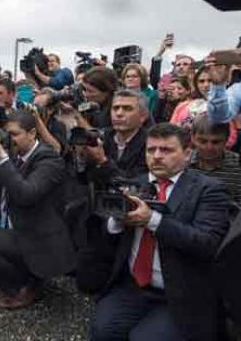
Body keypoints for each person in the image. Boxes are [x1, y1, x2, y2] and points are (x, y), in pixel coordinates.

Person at [81, 123, 229, 341]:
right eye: (151, 150)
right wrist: (116, 223)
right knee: (104, 330)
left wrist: (153, 220)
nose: (157, 156)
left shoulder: (208, 189)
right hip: (133, 285)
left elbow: (207, 243)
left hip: (180, 291)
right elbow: (106, 240)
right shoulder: (133, 182)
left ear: (187, 154)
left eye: (166, 150)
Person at [0, 110, 75, 309]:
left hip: (38, 237)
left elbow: (26, 195)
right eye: (8, 134)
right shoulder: (15, 155)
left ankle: (27, 284)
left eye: (15, 134)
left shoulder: (49, 160)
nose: (10, 140)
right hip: (13, 229)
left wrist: (2, 157)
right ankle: (22, 270)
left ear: (32, 133)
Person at [82, 89, 150, 182]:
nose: (119, 113)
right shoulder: (102, 136)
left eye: (127, 108)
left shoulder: (150, 143)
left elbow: (134, 180)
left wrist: (102, 161)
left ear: (143, 116)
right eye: (115, 108)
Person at [189, 115, 241, 208]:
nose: (209, 148)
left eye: (216, 142)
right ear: (193, 138)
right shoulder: (182, 162)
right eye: (203, 141)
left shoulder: (239, 164)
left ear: (226, 140)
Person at [170, 66, 237, 148]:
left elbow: (231, 138)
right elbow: (171, 132)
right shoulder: (182, 106)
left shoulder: (226, 105)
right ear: (196, 84)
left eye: (210, 81)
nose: (206, 85)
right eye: (201, 81)